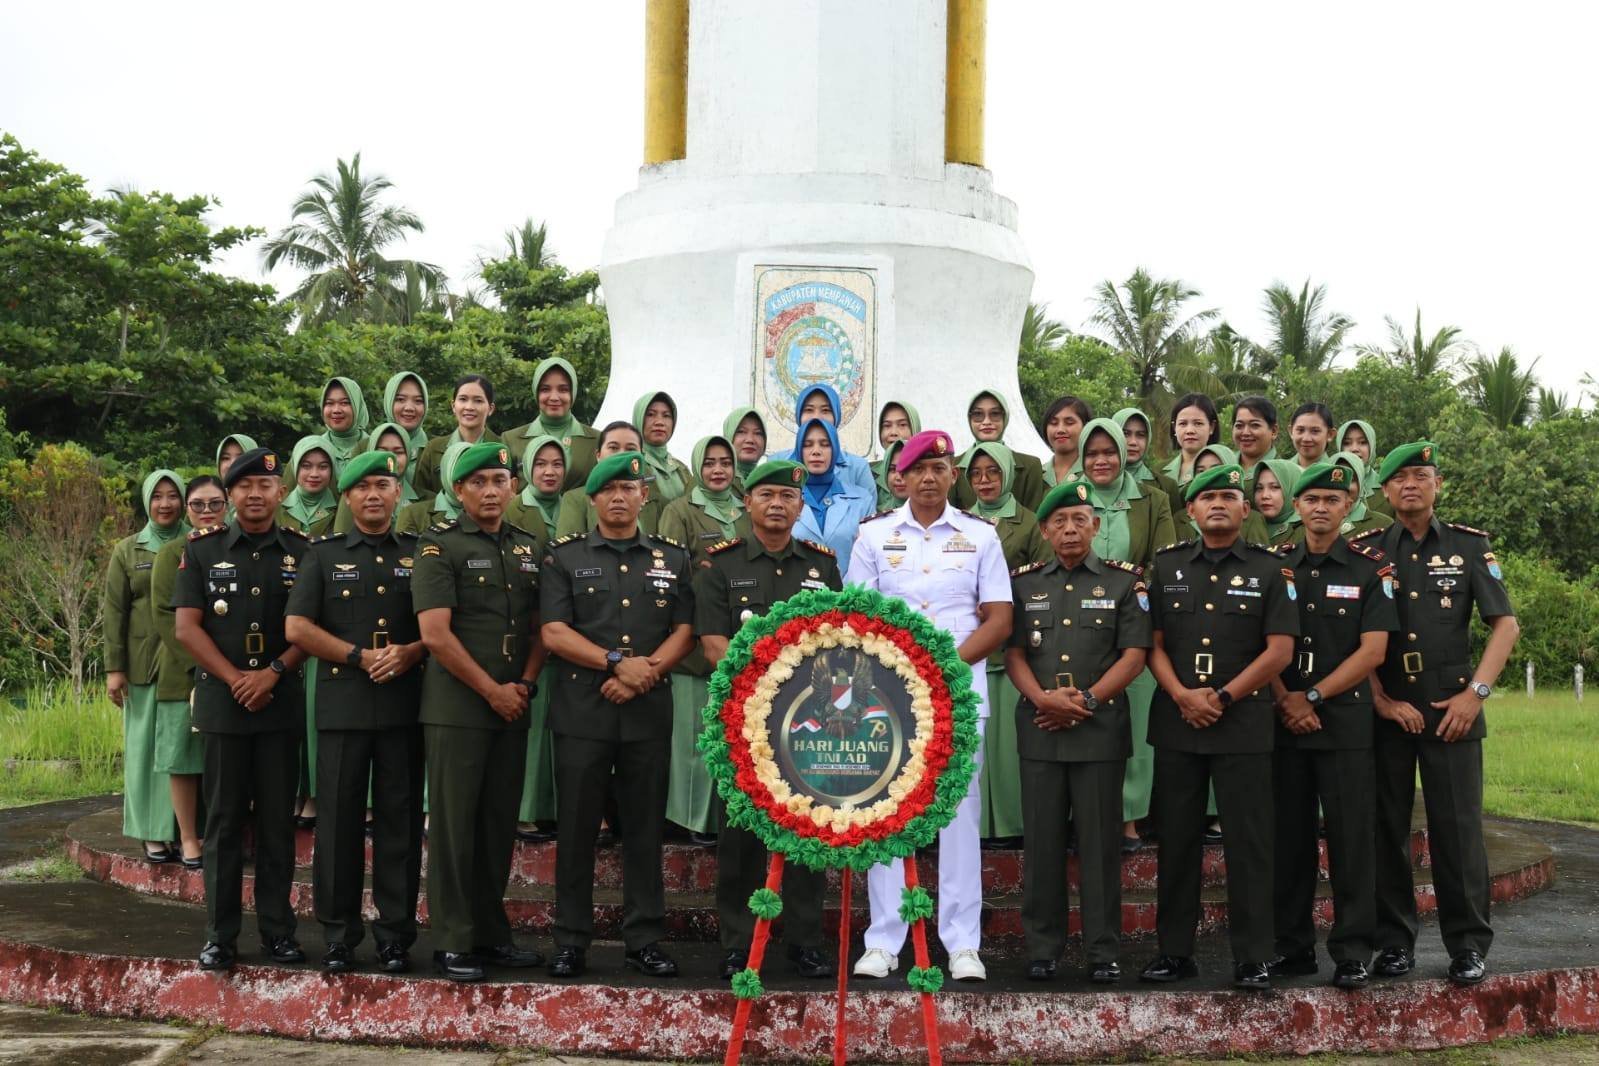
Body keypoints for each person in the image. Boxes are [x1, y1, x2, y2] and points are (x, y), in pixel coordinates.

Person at [847, 430, 1013, 983]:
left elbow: (998, 620)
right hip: (887, 698)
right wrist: (905, 673)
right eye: (917, 467)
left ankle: (962, 942)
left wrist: (940, 669)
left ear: (952, 475)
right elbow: (858, 615)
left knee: (958, 818)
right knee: (886, 813)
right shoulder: (874, 536)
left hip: (959, 696)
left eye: (938, 467)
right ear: (900, 476)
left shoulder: (980, 537)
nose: (927, 477)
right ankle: (883, 939)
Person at [1138, 463, 1296, 991]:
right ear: (1191, 511)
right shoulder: (1166, 567)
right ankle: (1175, 951)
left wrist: (1224, 696)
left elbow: (1280, 650)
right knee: (1176, 841)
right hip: (1180, 721)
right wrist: (1184, 695)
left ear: (1246, 509)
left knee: (1249, 844)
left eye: (1230, 496)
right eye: (1208, 498)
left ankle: (1254, 955)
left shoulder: (1270, 570)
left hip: (1243, 723)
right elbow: (1151, 646)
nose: (1219, 504)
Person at [1366, 441, 1519, 986]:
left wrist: (1475, 694)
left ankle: (1468, 945)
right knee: (1386, 830)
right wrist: (1379, 699)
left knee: (1457, 833)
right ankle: (1393, 943)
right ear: (1383, 490)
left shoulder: (1469, 548)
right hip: (1386, 711)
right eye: (1400, 477)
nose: (1411, 484)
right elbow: (1347, 636)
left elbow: (1505, 625)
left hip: (1452, 708)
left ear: (1438, 485)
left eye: (1421, 475)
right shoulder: (1365, 551)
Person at [540, 452, 696, 979]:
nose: (619, 497)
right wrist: (615, 664)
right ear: (593, 500)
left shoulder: (672, 559)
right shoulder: (565, 557)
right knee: (578, 830)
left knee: (645, 830)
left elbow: (684, 629)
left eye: (629, 488)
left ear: (644, 496)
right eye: (609, 490)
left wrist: (645, 672)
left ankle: (644, 939)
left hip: (647, 710)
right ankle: (571, 941)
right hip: (584, 711)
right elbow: (554, 633)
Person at [695, 458, 840, 981]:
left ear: (801, 506)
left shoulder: (821, 567)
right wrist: (765, 691)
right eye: (767, 495)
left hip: (808, 722)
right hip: (744, 720)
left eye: (787, 496)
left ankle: (804, 941)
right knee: (740, 837)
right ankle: (738, 940)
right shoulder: (720, 564)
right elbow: (713, 644)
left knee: (808, 828)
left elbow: (834, 640)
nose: (777, 504)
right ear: (747, 503)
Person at [285, 450, 427, 975]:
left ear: (397, 493)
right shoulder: (321, 555)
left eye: (383, 484)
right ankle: (339, 935)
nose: (373, 494)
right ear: (346, 496)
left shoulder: (421, 552)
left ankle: (395, 936)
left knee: (401, 827)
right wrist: (357, 655)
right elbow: (297, 628)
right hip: (343, 706)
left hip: (403, 707)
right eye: (362, 486)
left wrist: (411, 652)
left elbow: (437, 625)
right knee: (339, 827)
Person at [1006, 479, 1152, 983]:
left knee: (1099, 847)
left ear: (1096, 525)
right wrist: (1043, 699)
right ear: (1044, 530)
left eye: (1079, 520)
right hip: (1042, 729)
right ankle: (1043, 948)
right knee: (1043, 846)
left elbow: (1135, 658)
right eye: (1059, 522)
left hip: (1099, 732)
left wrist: (1086, 701)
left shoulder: (1123, 583)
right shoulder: (1023, 585)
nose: (1070, 529)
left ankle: (1102, 950)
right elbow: (1016, 654)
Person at [412, 441, 547, 983]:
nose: (491, 491)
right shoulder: (436, 546)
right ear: (459, 491)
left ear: (512, 486)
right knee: (454, 827)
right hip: (459, 708)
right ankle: (452, 939)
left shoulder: (528, 546)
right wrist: (492, 689)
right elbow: (435, 635)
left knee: (496, 825)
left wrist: (526, 684)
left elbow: (542, 626)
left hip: (513, 703)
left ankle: (492, 934)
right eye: (479, 483)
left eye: (500, 480)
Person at [173, 447, 310, 972]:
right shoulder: (202, 550)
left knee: (278, 823)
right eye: (245, 486)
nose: (256, 495)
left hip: (279, 701)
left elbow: (312, 626)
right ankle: (219, 936)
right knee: (225, 823)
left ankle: (278, 931)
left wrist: (270, 674)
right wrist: (238, 680)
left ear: (281, 493)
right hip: (226, 704)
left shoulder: (304, 550)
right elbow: (188, 627)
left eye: (266, 486)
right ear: (229, 495)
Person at [1268, 461, 1396, 990]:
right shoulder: (1272, 566)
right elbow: (1261, 644)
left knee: (1351, 840)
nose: (1321, 507)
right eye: (1312, 499)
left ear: (1350, 507)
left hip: (1343, 725)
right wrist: (1285, 699)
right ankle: (1292, 947)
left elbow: (1374, 651)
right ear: (1296, 506)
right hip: (1284, 723)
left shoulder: (1372, 570)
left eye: (1332, 500)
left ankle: (1352, 950)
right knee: (1288, 840)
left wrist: (1313, 695)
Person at [1073, 418, 1177, 851]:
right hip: (1076, 626)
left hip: (1133, 623)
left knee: (1132, 723)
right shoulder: (1069, 498)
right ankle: (1082, 818)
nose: (1101, 460)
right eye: (1092, 453)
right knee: (1082, 719)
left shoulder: (1151, 500)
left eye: (1108, 452)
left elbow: (1163, 560)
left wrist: (1122, 596)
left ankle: (1130, 820)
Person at [659, 436, 750, 843]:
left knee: (737, 737)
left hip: (742, 634)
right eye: (709, 462)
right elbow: (672, 570)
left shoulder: (746, 508)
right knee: (696, 740)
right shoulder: (679, 510)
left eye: (725, 462)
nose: (718, 469)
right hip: (695, 638)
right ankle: (693, 821)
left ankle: (728, 818)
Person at [964, 442, 1051, 844]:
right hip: (969, 642)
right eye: (977, 474)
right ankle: (978, 827)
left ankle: (1012, 827)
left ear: (1008, 475)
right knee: (974, 748)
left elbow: (1040, 580)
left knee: (1007, 747)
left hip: (1013, 642)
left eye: (993, 473)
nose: (984, 481)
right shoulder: (960, 522)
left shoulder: (1030, 522)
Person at [104, 469, 186, 861]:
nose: (166, 503)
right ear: (147, 501)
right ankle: (151, 833)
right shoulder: (128, 550)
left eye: (173, 495)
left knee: (180, 751)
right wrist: (113, 669)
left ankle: (178, 829)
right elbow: (115, 612)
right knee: (143, 750)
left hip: (183, 664)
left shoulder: (196, 543)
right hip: (140, 666)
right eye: (158, 496)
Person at [151, 475, 225, 869]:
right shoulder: (171, 553)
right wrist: (203, 665)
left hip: (231, 672)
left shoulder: (237, 546)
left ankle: (221, 834)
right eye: (198, 505)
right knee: (182, 759)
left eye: (215, 503)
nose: (207, 512)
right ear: (187, 508)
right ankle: (188, 838)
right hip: (183, 673)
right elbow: (165, 617)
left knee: (224, 758)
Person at [504, 435, 565, 843]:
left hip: (568, 626)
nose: (548, 471)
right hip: (528, 625)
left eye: (556, 463)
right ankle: (524, 811)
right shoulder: (513, 506)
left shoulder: (576, 506)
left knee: (555, 729)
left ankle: (551, 809)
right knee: (529, 724)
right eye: (540, 463)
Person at [501, 357, 601, 492]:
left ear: (573, 393)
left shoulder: (596, 440)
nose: (554, 397)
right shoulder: (511, 439)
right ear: (536, 393)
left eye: (563, 389)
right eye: (545, 389)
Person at [555, 422, 667, 537]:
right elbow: (569, 552)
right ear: (598, 455)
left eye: (630, 449)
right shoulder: (575, 500)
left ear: (641, 457)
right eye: (613, 448)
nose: (622, 454)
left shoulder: (659, 503)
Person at [790, 417, 874, 571]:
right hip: (794, 593)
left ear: (835, 449)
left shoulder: (862, 500)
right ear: (798, 452)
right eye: (808, 445)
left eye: (825, 445)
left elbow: (870, 559)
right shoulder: (784, 499)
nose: (816, 451)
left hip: (849, 593)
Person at [951, 391, 1046, 511]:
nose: (986, 422)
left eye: (995, 414)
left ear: (1005, 417)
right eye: (978, 415)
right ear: (969, 419)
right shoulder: (953, 466)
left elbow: (1035, 519)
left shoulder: (1030, 466)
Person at [413, 375, 499, 497]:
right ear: (453, 406)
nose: (469, 407)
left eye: (478, 401)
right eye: (463, 399)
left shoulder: (501, 447)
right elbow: (421, 494)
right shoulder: (433, 448)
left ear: (490, 408)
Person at [789, 383, 876, 498]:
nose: (817, 417)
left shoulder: (858, 467)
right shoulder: (777, 462)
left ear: (837, 416)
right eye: (809, 410)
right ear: (798, 415)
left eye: (825, 410)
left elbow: (870, 512)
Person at [333, 422, 420, 534]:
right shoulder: (354, 495)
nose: (391, 458)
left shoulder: (423, 498)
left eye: (398, 452)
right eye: (381, 451)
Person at [1187, 444, 1272, 546]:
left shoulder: (1253, 519)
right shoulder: (1181, 518)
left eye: (1217, 468)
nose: (1209, 475)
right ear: (1190, 510)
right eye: (1201, 471)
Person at [1162, 393, 1221, 514]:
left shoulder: (1224, 465)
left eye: (1198, 423)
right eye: (1183, 424)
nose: (1189, 431)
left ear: (1212, 427)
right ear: (1174, 428)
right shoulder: (1159, 470)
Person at [396, 440, 471, 535]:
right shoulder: (414, 514)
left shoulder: (490, 512)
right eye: (459, 469)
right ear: (446, 470)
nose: (465, 477)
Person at [631, 391, 693, 503]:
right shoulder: (628, 464)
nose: (660, 422)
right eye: (650, 414)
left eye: (666, 416)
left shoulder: (682, 469)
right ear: (638, 418)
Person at [1112, 407, 1180, 506]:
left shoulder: (1166, 486)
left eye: (1140, 435)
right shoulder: (1092, 482)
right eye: (1125, 434)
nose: (1133, 442)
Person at [277, 436, 338, 537]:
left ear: (332, 470)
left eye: (323, 467)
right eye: (306, 466)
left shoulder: (341, 507)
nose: (314, 474)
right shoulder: (276, 504)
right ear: (295, 467)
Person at [1327, 452, 1393, 538]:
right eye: (1335, 479)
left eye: (1351, 479)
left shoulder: (1384, 525)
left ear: (1361, 483)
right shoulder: (1309, 523)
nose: (1342, 487)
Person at [1336, 420, 1392, 517]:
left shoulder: (1387, 489)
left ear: (1372, 445)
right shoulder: (1325, 488)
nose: (1354, 449)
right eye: (1347, 443)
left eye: (1362, 442)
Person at [316, 377, 371, 465]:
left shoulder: (374, 447)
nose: (336, 410)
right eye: (330, 403)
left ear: (357, 406)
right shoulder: (314, 448)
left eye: (344, 403)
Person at [1042, 395, 1092, 488]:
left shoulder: (1094, 472)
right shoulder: (1036, 474)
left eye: (1069, 423)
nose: (1060, 430)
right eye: (1054, 423)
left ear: (1085, 427)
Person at [1252, 458, 1301, 544]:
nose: (1264, 496)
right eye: (1259, 488)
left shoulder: (1307, 531)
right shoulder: (1245, 526)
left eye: (1275, 487)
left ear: (1293, 489)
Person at [723, 405, 770, 490]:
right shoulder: (714, 484)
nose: (750, 440)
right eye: (741, 432)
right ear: (728, 437)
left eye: (758, 433)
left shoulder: (771, 484)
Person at [1231, 397, 1280, 472]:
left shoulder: (1287, 472)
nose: (1245, 433)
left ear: (1273, 431)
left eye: (1255, 425)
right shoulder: (1222, 467)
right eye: (1239, 425)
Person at [1288, 402, 1335, 470]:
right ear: (1291, 431)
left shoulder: (1337, 474)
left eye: (1315, 431)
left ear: (1330, 434)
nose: (1306, 438)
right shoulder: (1278, 472)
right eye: (1301, 430)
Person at [873, 439, 910, 511]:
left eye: (906, 469)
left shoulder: (933, 515)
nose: (899, 477)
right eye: (892, 469)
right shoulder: (879, 516)